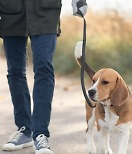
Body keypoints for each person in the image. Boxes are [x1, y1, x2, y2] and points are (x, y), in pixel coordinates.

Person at [0, 0, 87, 154]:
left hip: (45, 11)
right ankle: (25, 130)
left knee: (43, 68)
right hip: (10, 11)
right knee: (15, 71)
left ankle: (40, 133)